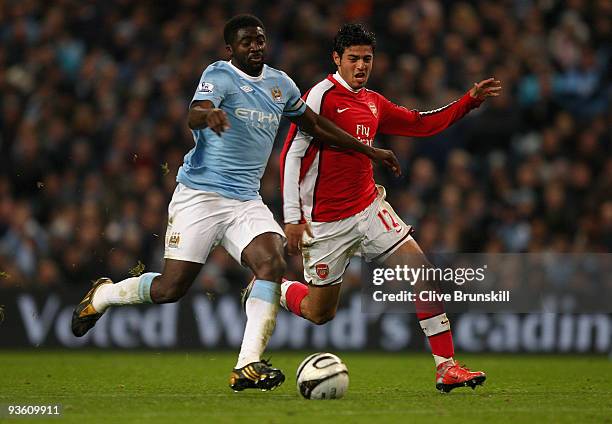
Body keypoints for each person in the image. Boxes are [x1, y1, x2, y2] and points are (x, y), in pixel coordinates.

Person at [70, 15, 400, 393]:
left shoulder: (280, 83)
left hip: (245, 200)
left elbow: (317, 125)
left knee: (272, 263)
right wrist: (207, 114)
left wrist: (368, 150)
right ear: (231, 49)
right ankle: (104, 295)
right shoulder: (220, 75)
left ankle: (247, 365)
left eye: (260, 40)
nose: (255, 47)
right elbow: (194, 111)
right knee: (170, 289)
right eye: (246, 42)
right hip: (200, 196)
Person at [276, 23, 501, 393]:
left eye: (367, 58)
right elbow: (291, 154)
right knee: (320, 312)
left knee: (422, 274)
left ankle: (446, 367)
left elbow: (421, 124)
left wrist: (468, 101)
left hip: (368, 208)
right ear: (337, 59)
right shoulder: (320, 97)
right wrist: (292, 217)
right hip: (325, 222)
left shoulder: (373, 102)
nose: (361, 66)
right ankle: (272, 287)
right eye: (353, 59)